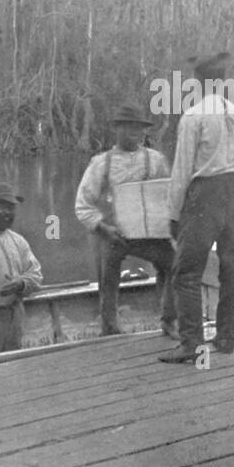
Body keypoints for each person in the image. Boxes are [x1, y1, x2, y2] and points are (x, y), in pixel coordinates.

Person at [162, 52, 234, 364]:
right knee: (232, 269)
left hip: (206, 195)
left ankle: (192, 344)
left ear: (197, 82)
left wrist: (173, 214)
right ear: (222, 81)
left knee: (186, 272)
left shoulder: (193, 116)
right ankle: (226, 337)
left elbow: (181, 171)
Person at [74, 102, 178, 339]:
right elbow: (82, 205)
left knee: (173, 263)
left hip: (150, 234)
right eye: (128, 127)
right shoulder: (101, 163)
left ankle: (169, 319)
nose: (135, 132)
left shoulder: (157, 160)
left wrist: (168, 225)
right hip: (114, 233)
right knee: (107, 272)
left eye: (139, 128)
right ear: (116, 130)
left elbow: (169, 196)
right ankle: (110, 328)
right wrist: (103, 227)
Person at [0, 182, 44, 354]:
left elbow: (36, 275)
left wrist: (21, 284)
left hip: (16, 315)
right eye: (2, 207)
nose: (8, 213)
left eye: (11, 208)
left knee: (15, 365)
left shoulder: (19, 241)